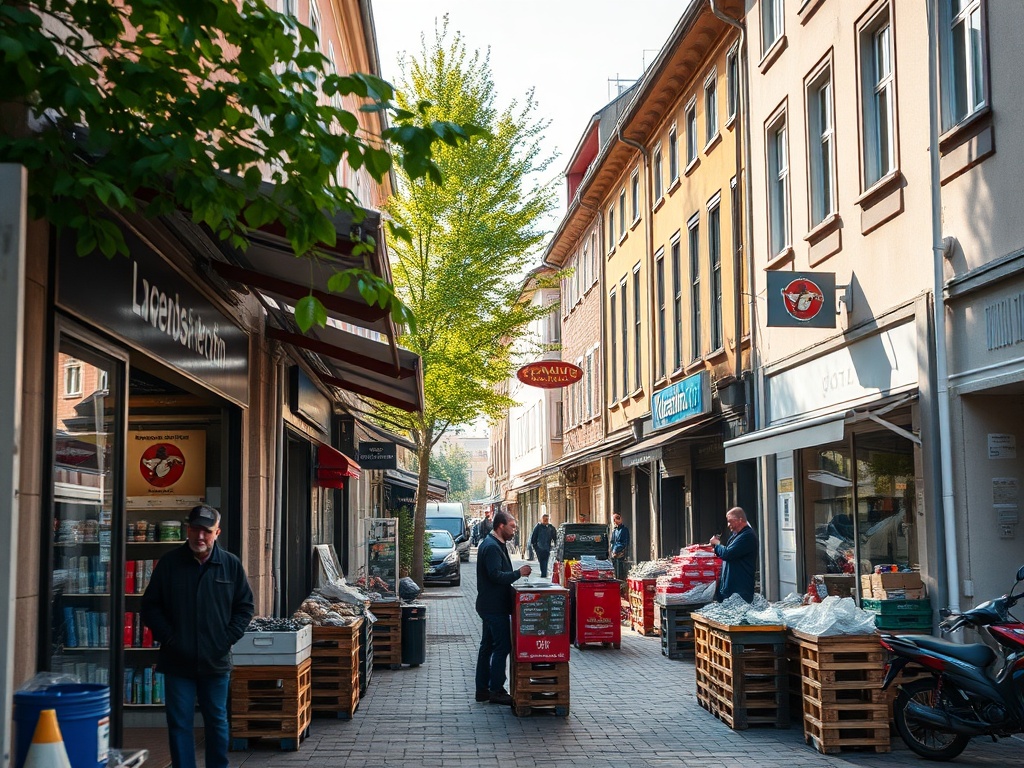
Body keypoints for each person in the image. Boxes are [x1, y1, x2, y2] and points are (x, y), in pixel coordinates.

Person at [141, 505, 254, 768]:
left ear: (217, 532)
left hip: (215, 661)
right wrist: (170, 638)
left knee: (217, 721)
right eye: (195, 529)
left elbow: (244, 607)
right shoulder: (170, 563)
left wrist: (225, 639)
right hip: (177, 661)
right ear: (187, 529)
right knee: (179, 724)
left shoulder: (230, 565)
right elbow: (150, 606)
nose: (199, 537)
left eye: (206, 531)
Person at [475, 509, 531, 706]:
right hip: (493, 606)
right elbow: (496, 575)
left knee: (487, 647)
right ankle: (496, 690)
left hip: (491, 605)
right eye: (512, 526)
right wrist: (519, 573)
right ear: (501, 526)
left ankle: (482, 689)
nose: (514, 530)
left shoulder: (496, 544)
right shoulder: (491, 547)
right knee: (502, 647)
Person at [709, 506, 759, 603]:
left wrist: (717, 545)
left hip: (739, 590)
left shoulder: (747, 536)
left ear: (740, 520)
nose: (728, 525)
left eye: (730, 521)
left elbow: (728, 553)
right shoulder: (736, 535)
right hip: (730, 589)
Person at [529, 513, 558, 578]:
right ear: (542, 519)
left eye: (547, 519)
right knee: (541, 560)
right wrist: (535, 546)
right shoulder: (538, 527)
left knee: (545, 560)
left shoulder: (551, 528)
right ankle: (544, 572)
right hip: (539, 548)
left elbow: (555, 537)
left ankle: (544, 573)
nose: (546, 521)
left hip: (547, 548)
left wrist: (556, 545)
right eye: (544, 519)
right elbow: (533, 537)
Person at [610, 513, 630, 582]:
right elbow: (612, 542)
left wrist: (616, 550)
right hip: (614, 555)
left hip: (621, 555)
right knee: (615, 572)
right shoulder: (614, 531)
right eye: (615, 519)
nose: (616, 521)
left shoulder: (624, 530)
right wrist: (612, 551)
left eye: (618, 518)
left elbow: (624, 543)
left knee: (621, 573)